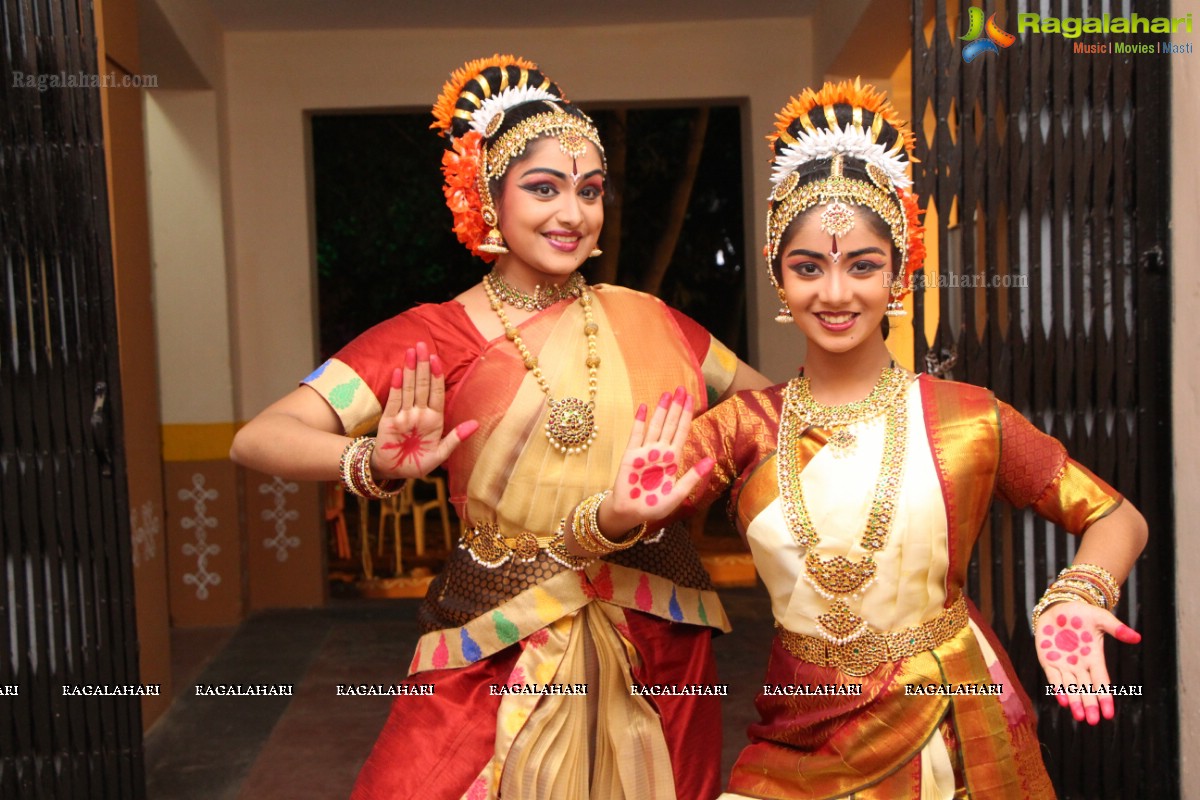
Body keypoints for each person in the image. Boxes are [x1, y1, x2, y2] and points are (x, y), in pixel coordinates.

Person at [578, 79, 1148, 799]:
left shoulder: (967, 419)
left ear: (899, 272)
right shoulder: (741, 427)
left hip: (951, 730)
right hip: (797, 734)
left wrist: (1077, 592)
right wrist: (617, 516)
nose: (836, 293)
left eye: (862, 265)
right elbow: (588, 543)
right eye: (808, 267)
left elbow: (1115, 516)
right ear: (779, 278)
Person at [230, 54, 767, 799]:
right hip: (496, 632)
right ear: (490, 197)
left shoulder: (653, 320)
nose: (571, 214)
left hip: (658, 631)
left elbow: (771, 413)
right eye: (543, 189)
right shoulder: (434, 334)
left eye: (589, 191)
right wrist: (372, 463)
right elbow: (259, 437)